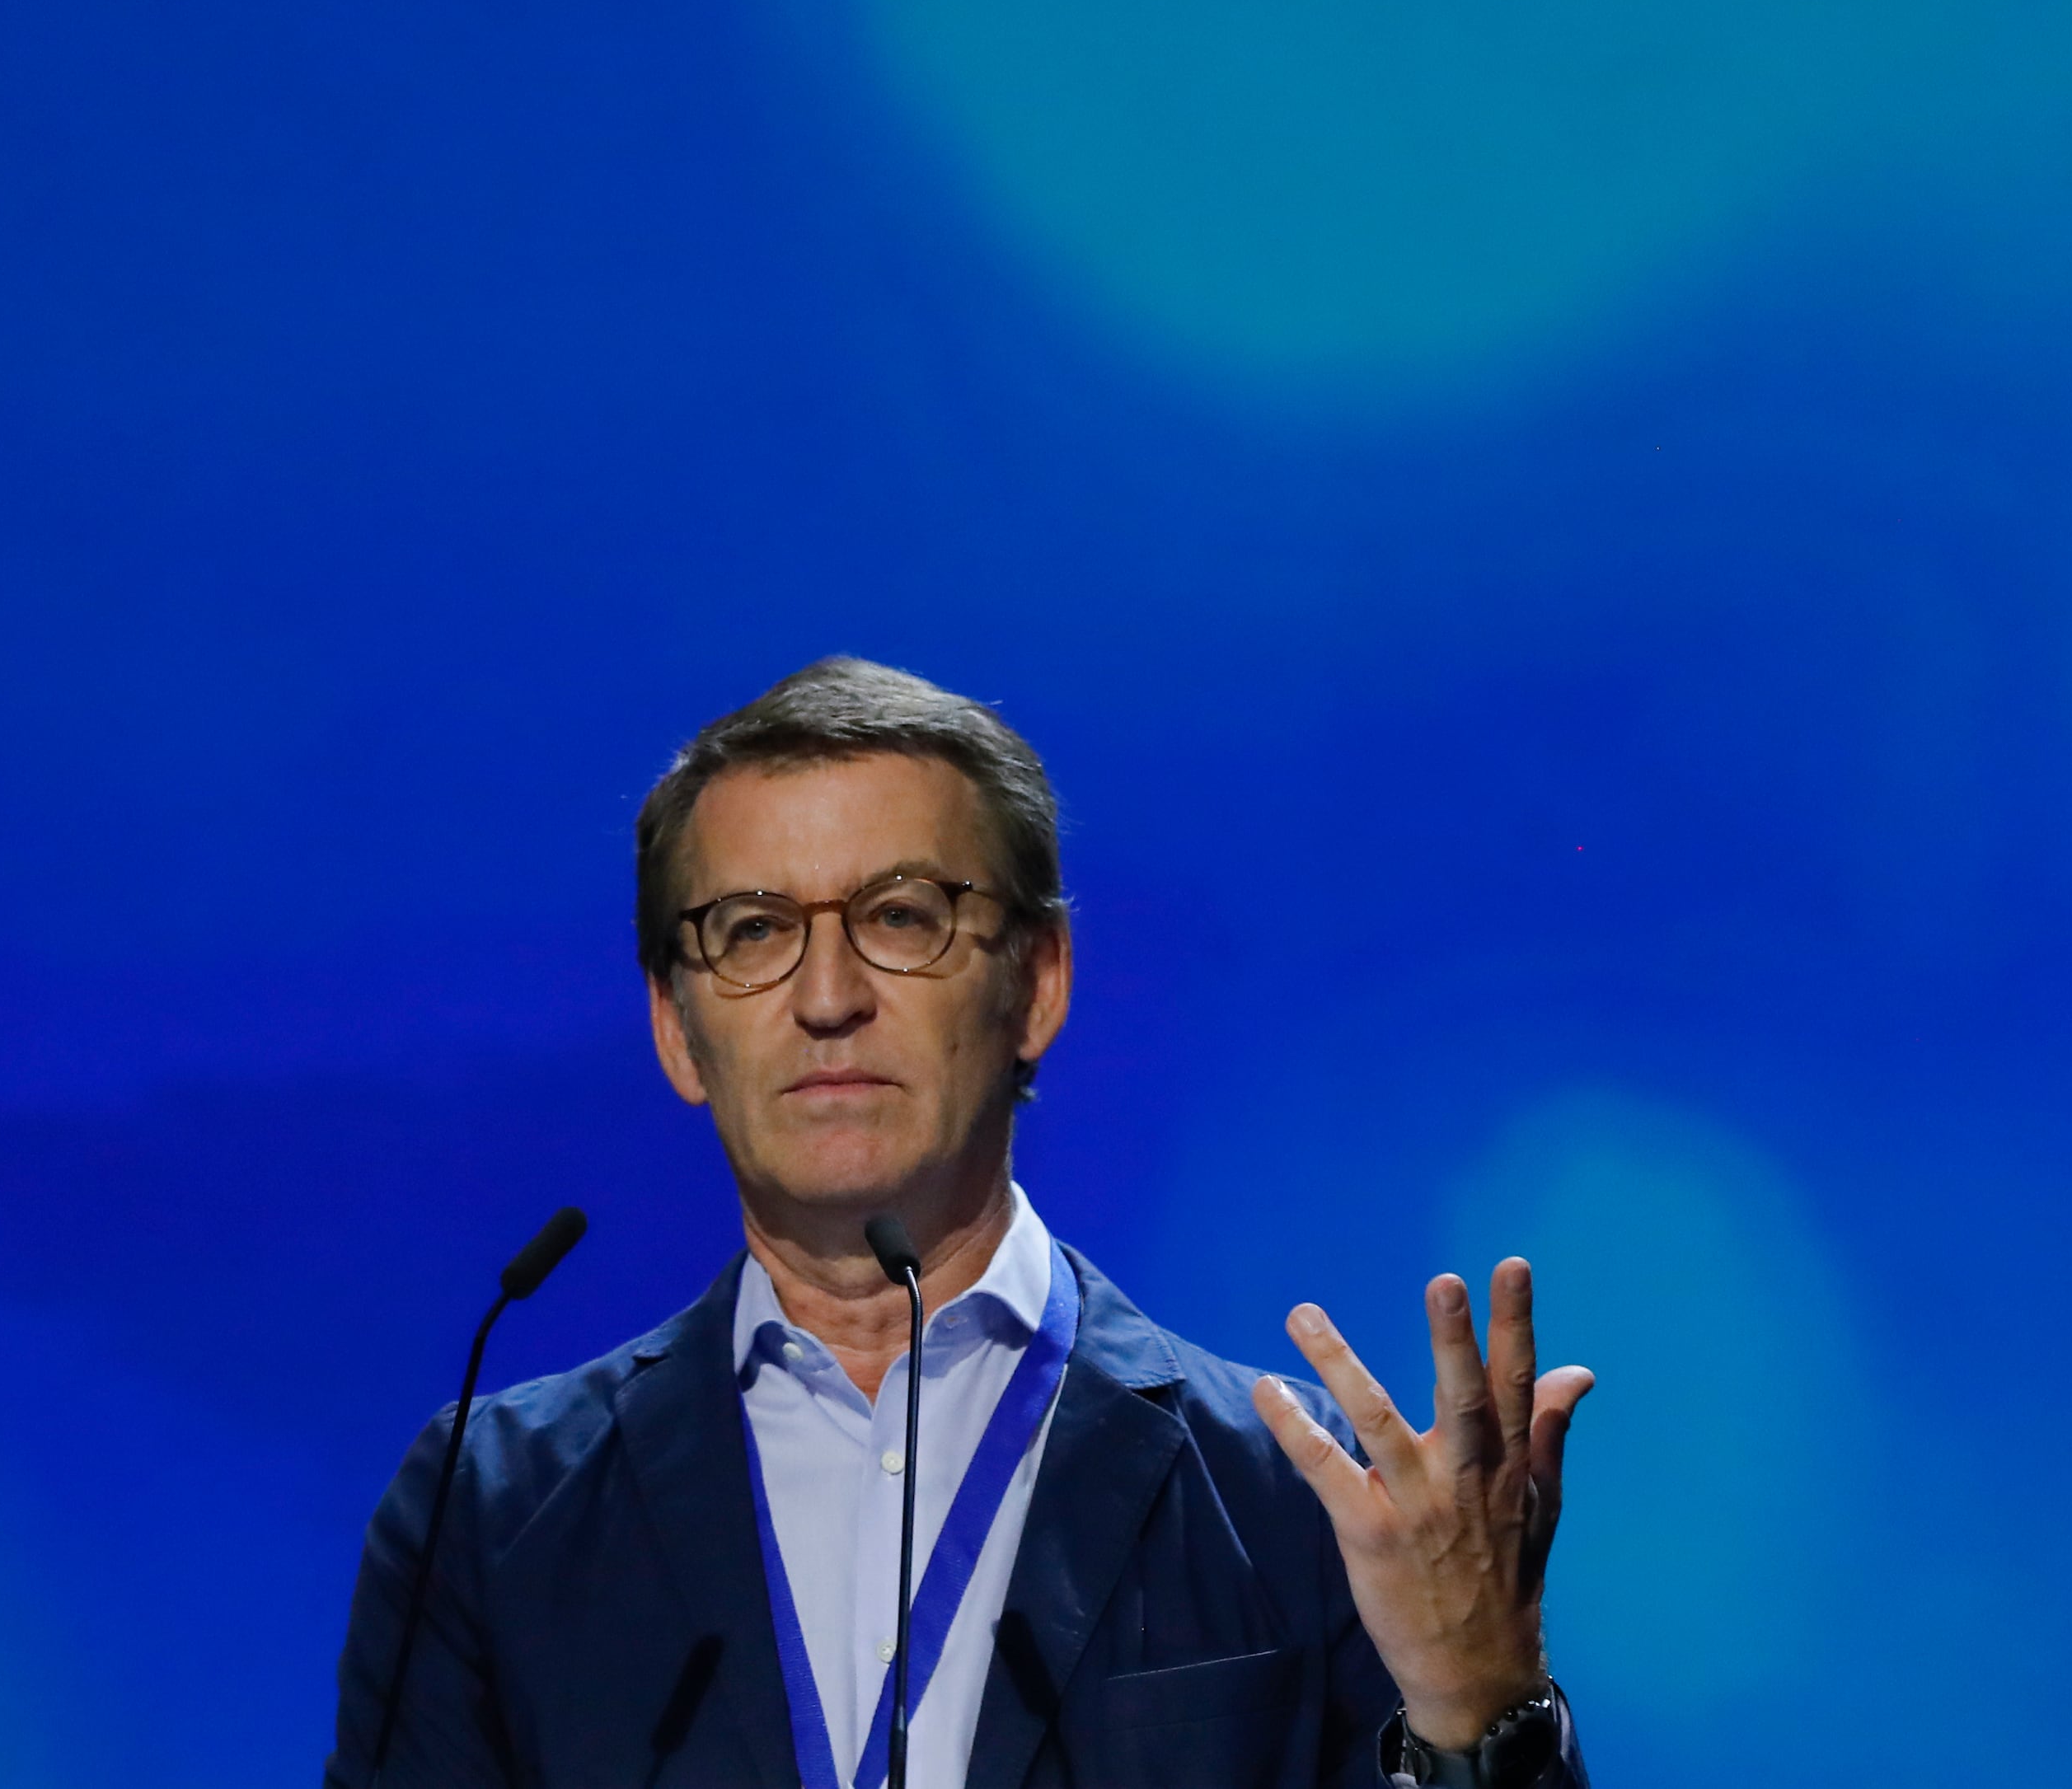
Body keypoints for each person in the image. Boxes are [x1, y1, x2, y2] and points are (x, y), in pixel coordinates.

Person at [325, 658, 1594, 1787]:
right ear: (676, 1026)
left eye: (900, 916)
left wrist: (1480, 1707)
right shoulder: (490, 1514)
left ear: (1037, 983)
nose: (827, 996)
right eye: (754, 929)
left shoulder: (1302, 1498)